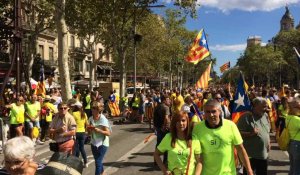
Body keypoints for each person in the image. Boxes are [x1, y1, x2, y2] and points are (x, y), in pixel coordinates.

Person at [193, 99, 253, 175]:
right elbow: (194, 154)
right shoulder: (197, 128)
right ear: (204, 113)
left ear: (220, 111)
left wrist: (249, 170)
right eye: (207, 112)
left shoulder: (231, 126)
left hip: (228, 173)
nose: (211, 115)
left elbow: (240, 149)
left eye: (213, 111)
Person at [237, 97, 271, 175]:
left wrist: (268, 142)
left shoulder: (265, 115)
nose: (265, 109)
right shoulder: (246, 116)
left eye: (266, 106)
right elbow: (238, 133)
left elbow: (267, 131)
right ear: (255, 105)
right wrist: (251, 134)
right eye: (263, 106)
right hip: (250, 155)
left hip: (263, 154)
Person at [88, 101, 111, 175]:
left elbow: (108, 133)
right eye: (92, 108)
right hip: (94, 143)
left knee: (98, 162)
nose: (92, 109)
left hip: (103, 143)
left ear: (98, 110)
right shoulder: (90, 119)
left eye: (94, 108)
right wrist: (89, 130)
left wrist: (99, 130)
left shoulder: (103, 119)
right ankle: (103, 173)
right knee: (98, 161)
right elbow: (89, 133)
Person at [153, 95, 171, 164]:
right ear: (164, 100)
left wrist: (155, 126)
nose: (169, 101)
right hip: (164, 128)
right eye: (167, 99)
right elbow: (166, 118)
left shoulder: (157, 106)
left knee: (158, 143)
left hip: (158, 127)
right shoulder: (166, 107)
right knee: (166, 144)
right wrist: (164, 126)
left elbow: (154, 116)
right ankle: (165, 161)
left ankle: (156, 159)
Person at [71, 101, 88, 168]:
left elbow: (72, 124)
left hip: (76, 133)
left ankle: (76, 162)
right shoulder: (84, 114)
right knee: (82, 148)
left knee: (76, 148)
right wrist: (86, 132)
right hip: (83, 132)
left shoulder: (73, 114)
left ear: (76, 107)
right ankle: (86, 162)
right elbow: (86, 124)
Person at [286, 96, 300, 175]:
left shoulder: (288, 117)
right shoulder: (296, 119)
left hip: (291, 142)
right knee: (297, 168)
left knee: (293, 166)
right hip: (297, 144)